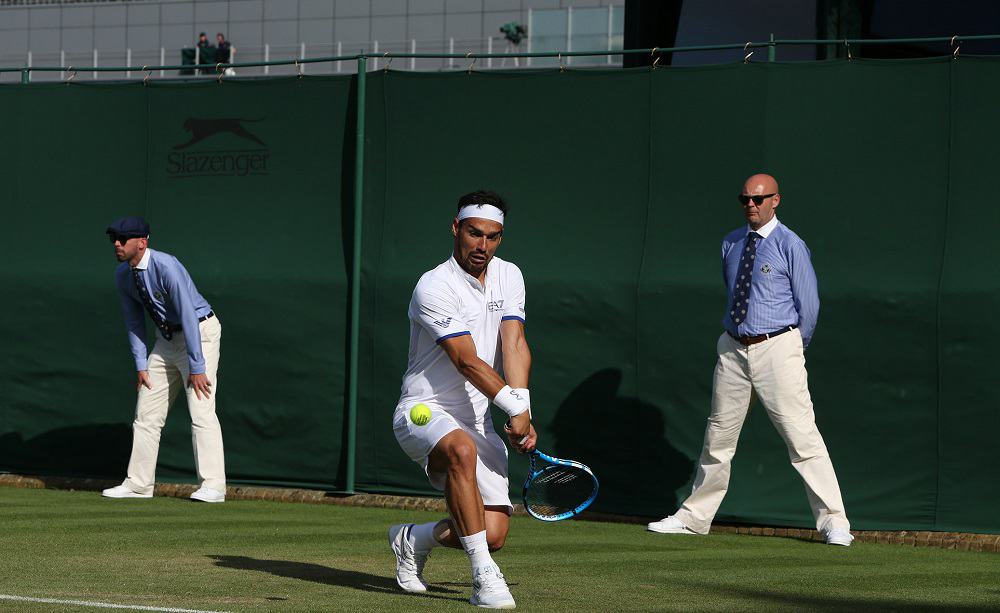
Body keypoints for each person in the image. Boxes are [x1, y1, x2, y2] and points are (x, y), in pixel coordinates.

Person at [647, 173, 853, 546]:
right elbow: (734, 293)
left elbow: (809, 306)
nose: (751, 206)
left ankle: (834, 523)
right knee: (718, 437)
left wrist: (790, 347)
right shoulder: (731, 243)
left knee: (802, 437)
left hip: (779, 347)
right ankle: (695, 518)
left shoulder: (792, 245)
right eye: (745, 199)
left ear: (776, 201)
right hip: (733, 347)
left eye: (759, 199)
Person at [388, 191, 536, 609]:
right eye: (474, 234)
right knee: (460, 449)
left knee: (493, 533)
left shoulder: (509, 275)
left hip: (477, 416)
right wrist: (513, 408)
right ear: (456, 228)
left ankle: (413, 538)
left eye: (493, 237)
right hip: (422, 410)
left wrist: (521, 405)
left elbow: (515, 343)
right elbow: (467, 361)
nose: (482, 246)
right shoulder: (433, 286)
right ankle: (483, 578)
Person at [101, 216, 226, 504]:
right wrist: (141, 365)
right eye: (114, 240)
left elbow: (187, 314)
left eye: (123, 239)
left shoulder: (166, 266)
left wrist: (197, 366)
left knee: (201, 409)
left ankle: (214, 486)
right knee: (146, 412)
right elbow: (133, 321)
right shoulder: (122, 275)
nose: (117, 244)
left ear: (142, 242)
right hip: (166, 340)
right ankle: (139, 484)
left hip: (200, 333)